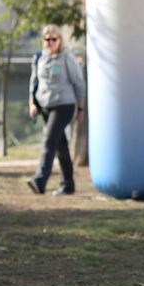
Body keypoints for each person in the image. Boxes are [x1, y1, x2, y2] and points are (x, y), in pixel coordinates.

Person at [27, 25, 86, 196]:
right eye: (47, 39)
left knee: (48, 141)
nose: (50, 42)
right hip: (45, 105)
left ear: (60, 40)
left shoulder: (67, 57)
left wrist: (80, 109)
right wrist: (32, 104)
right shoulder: (39, 57)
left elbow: (79, 83)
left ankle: (40, 181)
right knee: (61, 147)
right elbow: (34, 82)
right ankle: (68, 185)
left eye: (54, 39)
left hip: (64, 106)